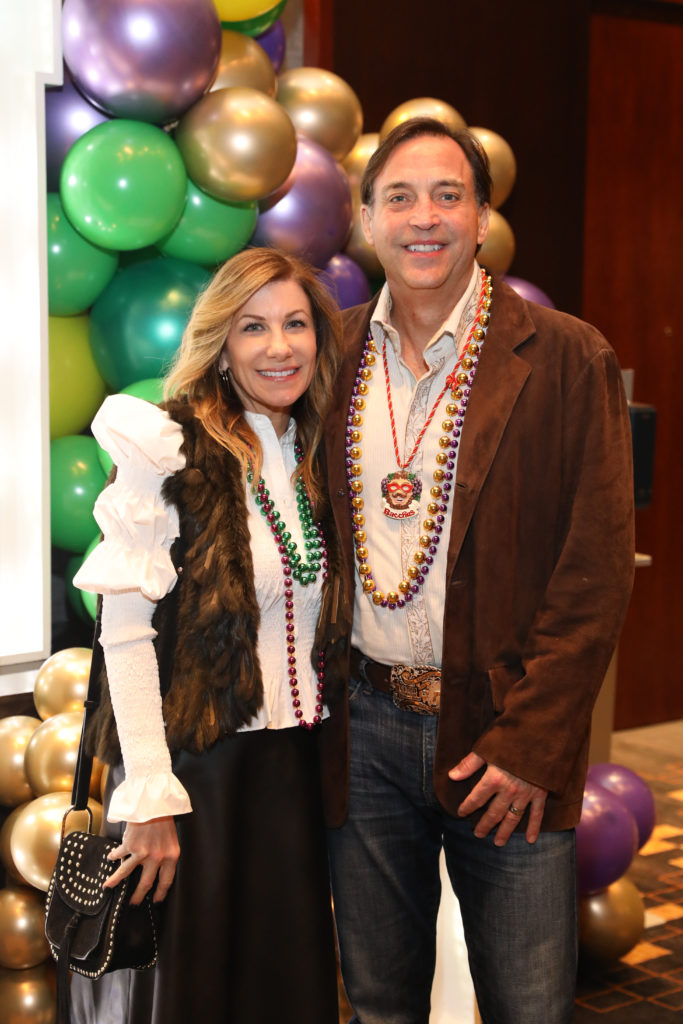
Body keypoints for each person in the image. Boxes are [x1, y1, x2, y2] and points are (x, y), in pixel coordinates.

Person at [322, 118, 635, 1024]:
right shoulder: (328, 356)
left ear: (482, 216)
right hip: (365, 738)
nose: (424, 218)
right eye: (400, 197)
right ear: (366, 219)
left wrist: (533, 744)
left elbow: (595, 573)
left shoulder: (568, 357)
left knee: (527, 1007)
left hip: (506, 741)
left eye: (447, 195)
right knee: (379, 1002)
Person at [72, 247, 348, 1024]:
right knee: (192, 995)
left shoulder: (317, 454)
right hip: (198, 774)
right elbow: (123, 635)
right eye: (253, 327)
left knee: (278, 990)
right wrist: (151, 797)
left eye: (295, 324)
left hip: (290, 774)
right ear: (220, 344)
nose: (278, 346)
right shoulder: (167, 450)